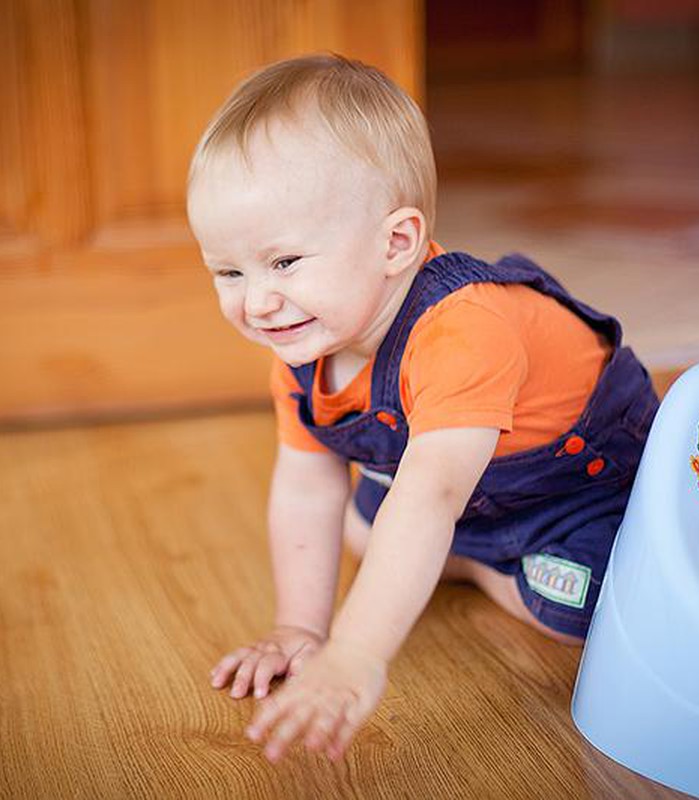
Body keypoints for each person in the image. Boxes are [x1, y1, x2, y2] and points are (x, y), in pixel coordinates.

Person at [186, 53, 658, 764]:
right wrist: (302, 631)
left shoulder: (463, 330)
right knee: (357, 534)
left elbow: (431, 494)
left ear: (397, 243)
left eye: (284, 263)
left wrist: (354, 655)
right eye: (229, 272)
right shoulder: (303, 347)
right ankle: (461, 555)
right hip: (455, 487)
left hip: (577, 486)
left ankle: (481, 566)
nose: (256, 302)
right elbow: (305, 484)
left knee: (585, 614)